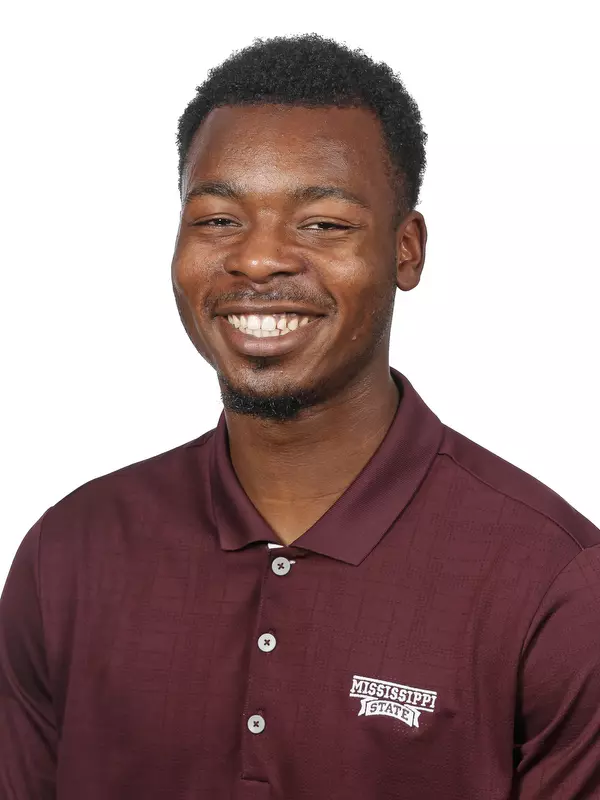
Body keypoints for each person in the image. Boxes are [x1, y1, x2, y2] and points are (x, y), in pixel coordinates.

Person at [1, 33, 599, 800]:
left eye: (322, 224)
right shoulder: (69, 553)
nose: (257, 260)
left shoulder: (554, 582)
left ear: (406, 251)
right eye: (218, 219)